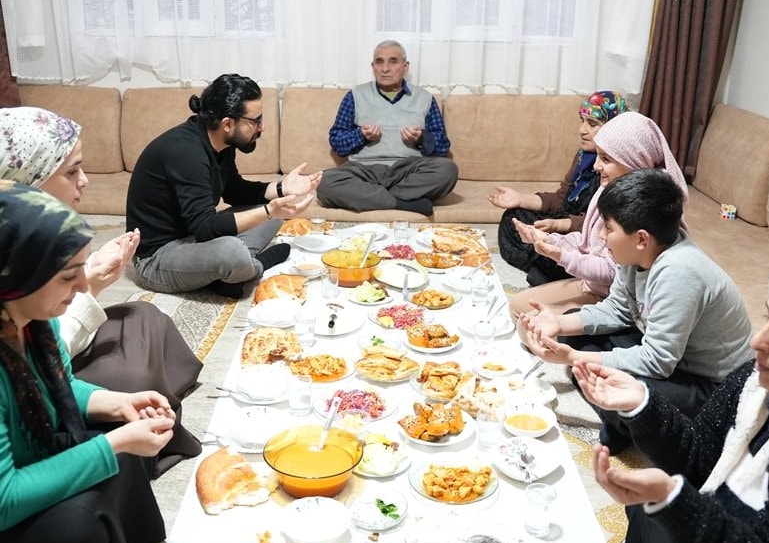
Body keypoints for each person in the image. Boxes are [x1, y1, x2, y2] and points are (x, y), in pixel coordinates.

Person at [571, 263, 769, 543]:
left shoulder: (680, 271)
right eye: (768, 319)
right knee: (647, 513)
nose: (759, 340)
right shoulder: (751, 381)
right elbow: (699, 457)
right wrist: (641, 403)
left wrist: (673, 501)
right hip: (732, 540)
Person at [0, 182, 175, 543]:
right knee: (81, 522)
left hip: (27, 466)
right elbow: (4, 498)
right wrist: (112, 444)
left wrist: (119, 404)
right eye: (66, 275)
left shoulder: (32, 321)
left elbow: (57, 386)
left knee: (124, 449)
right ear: (16, 275)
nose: (82, 285)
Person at [0, 106, 202, 477]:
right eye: (72, 170)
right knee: (135, 375)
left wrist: (88, 278)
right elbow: (44, 353)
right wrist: (89, 284)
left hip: (55, 357)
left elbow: (46, 342)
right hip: (46, 372)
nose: (85, 181)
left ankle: (152, 403)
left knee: (144, 314)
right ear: (28, 179)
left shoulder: (53, 236)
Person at [523, 170, 753, 454]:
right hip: (676, 360)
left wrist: (573, 359)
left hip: (715, 388)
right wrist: (557, 323)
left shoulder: (679, 272)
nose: (601, 235)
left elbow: (658, 361)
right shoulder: (635, 254)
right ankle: (623, 417)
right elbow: (617, 310)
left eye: (608, 228)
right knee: (576, 323)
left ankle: (627, 423)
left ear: (641, 238)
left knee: (632, 391)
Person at [126, 73, 321, 298]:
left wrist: (281, 189)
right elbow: (205, 226)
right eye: (255, 121)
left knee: (271, 213)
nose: (262, 127)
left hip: (193, 240)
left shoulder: (220, 142)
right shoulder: (186, 152)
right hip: (157, 258)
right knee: (234, 249)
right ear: (227, 123)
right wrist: (268, 211)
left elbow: (234, 191)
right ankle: (254, 267)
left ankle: (225, 274)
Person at [508, 111, 689, 319]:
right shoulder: (607, 190)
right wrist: (549, 239)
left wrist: (559, 254)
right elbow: (587, 242)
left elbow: (612, 272)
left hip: (614, 301)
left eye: (606, 159)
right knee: (518, 306)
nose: (596, 166)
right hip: (592, 284)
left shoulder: (641, 208)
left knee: (529, 321)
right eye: (597, 156)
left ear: (634, 160)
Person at [490, 90, 628, 286]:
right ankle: (551, 271)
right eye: (582, 120)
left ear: (613, 128)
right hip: (568, 223)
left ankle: (558, 272)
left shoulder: (621, 165)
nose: (582, 130)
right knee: (513, 218)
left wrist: (560, 225)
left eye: (592, 123)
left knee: (559, 247)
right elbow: (560, 199)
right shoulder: (583, 156)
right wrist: (520, 199)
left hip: (592, 237)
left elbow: (603, 227)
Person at [317, 40, 458, 216]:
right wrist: (361, 136)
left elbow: (443, 146)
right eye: (379, 62)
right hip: (364, 170)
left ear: (405, 67)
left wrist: (421, 138)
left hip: (408, 170)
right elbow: (337, 142)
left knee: (448, 169)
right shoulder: (355, 95)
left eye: (393, 61)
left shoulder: (425, 98)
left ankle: (370, 197)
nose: (385, 69)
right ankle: (401, 203)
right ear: (373, 66)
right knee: (324, 183)